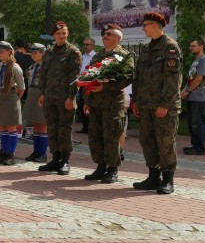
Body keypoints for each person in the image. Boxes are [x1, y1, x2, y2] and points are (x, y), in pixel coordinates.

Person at [130, 11, 182, 195]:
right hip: (145, 104)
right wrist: (135, 100)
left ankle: (168, 179)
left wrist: (165, 104)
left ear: (155, 25)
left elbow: (173, 80)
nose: (143, 28)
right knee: (147, 141)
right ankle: (153, 176)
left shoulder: (170, 47)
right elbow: (138, 77)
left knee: (165, 141)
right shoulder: (145, 49)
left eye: (145, 25)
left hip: (163, 106)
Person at [82, 24, 134, 184]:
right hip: (96, 103)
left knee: (111, 137)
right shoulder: (97, 56)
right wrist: (87, 100)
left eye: (109, 34)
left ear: (118, 38)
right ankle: (100, 167)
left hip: (112, 104)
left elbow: (128, 78)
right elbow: (88, 77)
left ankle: (112, 169)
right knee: (95, 136)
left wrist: (105, 86)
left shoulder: (124, 56)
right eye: (104, 34)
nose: (105, 36)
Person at [37, 21, 81, 175]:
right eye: (58, 34)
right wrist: (42, 93)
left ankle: (65, 160)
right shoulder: (49, 52)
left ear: (67, 34)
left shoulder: (73, 52)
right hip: (49, 97)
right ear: (53, 36)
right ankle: (55, 158)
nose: (61, 36)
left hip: (64, 98)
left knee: (64, 129)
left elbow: (74, 77)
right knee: (52, 128)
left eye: (64, 33)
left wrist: (71, 97)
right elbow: (43, 74)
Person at [0, 42, 25, 165]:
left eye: (2, 51)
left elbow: (21, 87)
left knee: (11, 126)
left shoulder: (15, 67)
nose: (0, 54)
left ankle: (10, 154)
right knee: (2, 126)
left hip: (10, 97)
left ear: (10, 51)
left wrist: (15, 99)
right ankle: (4, 153)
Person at [181, 38, 205, 156]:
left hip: (200, 96)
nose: (191, 48)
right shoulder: (196, 61)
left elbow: (199, 78)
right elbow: (191, 79)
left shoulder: (204, 60)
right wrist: (184, 91)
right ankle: (194, 145)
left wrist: (188, 91)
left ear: (201, 46)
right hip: (192, 96)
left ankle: (199, 148)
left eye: (193, 46)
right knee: (191, 122)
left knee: (197, 123)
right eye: (190, 46)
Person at [22, 44, 49, 163]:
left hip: (41, 93)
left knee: (42, 125)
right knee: (35, 125)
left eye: (36, 52)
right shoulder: (33, 66)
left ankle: (42, 153)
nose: (33, 54)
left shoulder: (46, 66)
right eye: (32, 52)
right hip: (32, 93)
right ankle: (36, 151)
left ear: (43, 53)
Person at [76, 37, 97, 134]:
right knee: (81, 105)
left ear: (93, 46)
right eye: (84, 44)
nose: (85, 46)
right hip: (82, 84)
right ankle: (85, 126)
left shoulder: (96, 56)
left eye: (87, 44)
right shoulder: (82, 56)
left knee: (90, 105)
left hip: (90, 84)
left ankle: (91, 127)